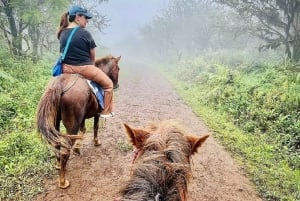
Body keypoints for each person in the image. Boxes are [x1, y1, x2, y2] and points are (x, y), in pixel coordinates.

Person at [57, 5, 114, 118]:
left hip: (65, 69)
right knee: (109, 85)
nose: (87, 21)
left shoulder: (62, 33)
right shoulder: (85, 33)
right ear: (78, 17)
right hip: (84, 69)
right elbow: (92, 56)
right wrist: (91, 65)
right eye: (85, 18)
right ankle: (106, 112)